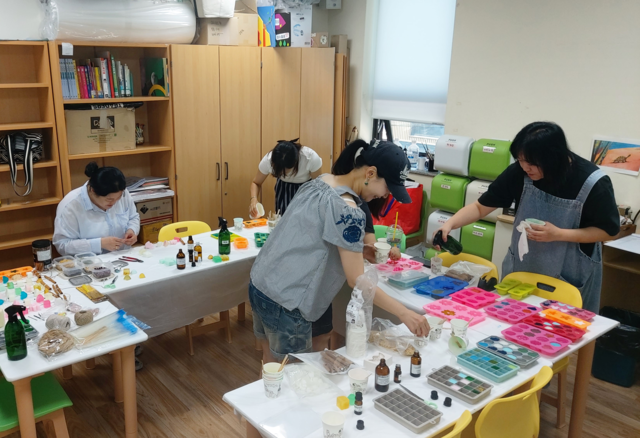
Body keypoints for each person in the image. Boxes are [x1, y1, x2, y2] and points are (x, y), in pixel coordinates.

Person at [249, 140, 430, 363]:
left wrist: (359, 250)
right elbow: (357, 280)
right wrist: (404, 313)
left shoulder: (322, 181)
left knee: (271, 367)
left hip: (261, 283)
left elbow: (312, 237)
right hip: (286, 301)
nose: (386, 196)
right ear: (370, 173)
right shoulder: (348, 211)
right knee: (289, 376)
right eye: (387, 188)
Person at [436, 122, 619, 312]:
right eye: (520, 160)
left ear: (553, 158)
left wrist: (559, 234)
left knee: (562, 327)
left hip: (569, 275)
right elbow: (480, 207)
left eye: (531, 163)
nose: (525, 168)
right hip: (524, 268)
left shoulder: (592, 182)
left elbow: (609, 232)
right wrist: (450, 224)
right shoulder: (520, 172)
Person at [54, 162, 141, 256]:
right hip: (90, 261)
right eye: (109, 199)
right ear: (93, 191)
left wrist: (132, 230)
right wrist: (99, 244)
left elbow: (133, 217)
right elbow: (63, 245)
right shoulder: (71, 206)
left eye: (118, 198)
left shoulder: (121, 193)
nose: (115, 203)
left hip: (123, 256)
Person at [249, 139, 323, 217]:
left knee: (303, 218)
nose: (283, 173)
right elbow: (256, 183)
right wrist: (253, 199)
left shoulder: (309, 157)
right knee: (283, 217)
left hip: (306, 188)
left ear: (295, 163)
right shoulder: (268, 160)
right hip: (283, 188)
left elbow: (319, 186)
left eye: (285, 171)